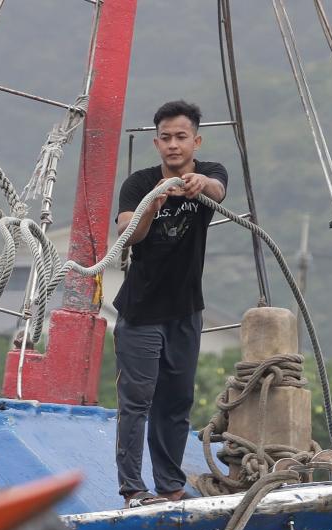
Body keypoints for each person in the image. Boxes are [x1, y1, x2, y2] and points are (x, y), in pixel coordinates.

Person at [112, 100, 228, 508]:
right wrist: (150, 209)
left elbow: (218, 189)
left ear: (195, 141)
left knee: (176, 401)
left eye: (182, 137)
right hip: (141, 312)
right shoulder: (140, 183)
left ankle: (170, 486)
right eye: (166, 138)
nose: (173, 145)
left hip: (185, 311)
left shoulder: (209, 174)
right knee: (136, 402)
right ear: (156, 142)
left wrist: (200, 185)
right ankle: (132, 489)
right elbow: (129, 232)